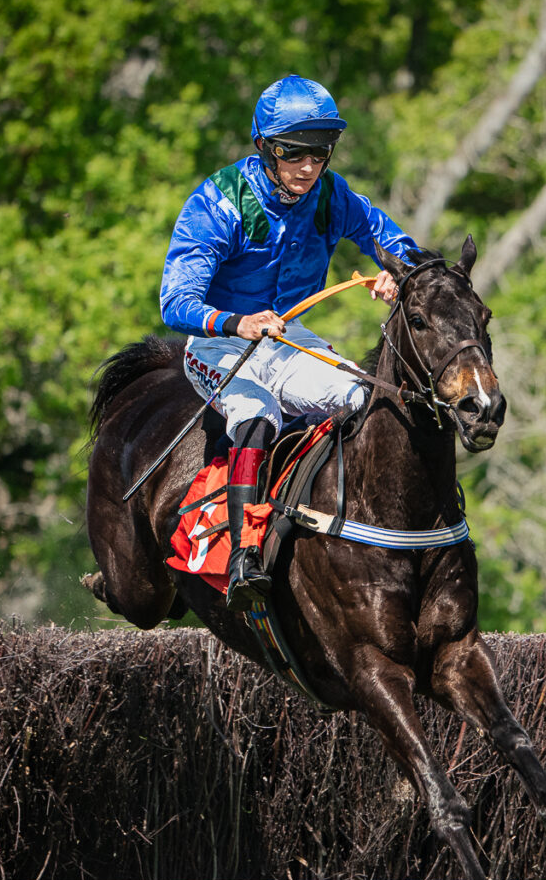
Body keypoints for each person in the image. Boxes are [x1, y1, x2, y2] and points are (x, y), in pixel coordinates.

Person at [160, 74, 420, 609]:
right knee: (257, 415)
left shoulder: (331, 195)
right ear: (264, 147)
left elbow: (395, 242)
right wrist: (238, 323)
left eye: (320, 152)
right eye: (294, 152)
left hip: (289, 339)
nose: (309, 166)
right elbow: (174, 303)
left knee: (365, 400)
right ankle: (244, 557)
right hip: (219, 344)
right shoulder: (217, 202)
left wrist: (401, 273)